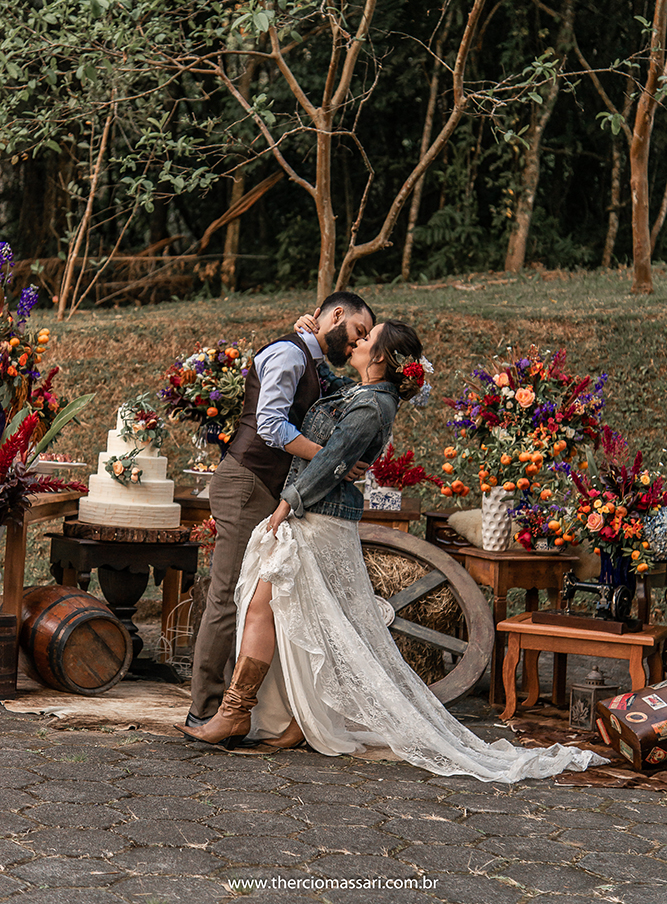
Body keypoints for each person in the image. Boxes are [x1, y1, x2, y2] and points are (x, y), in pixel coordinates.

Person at [177, 320, 606, 782]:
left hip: (315, 518)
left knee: (263, 606)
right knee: (282, 613)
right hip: (312, 515)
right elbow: (327, 387)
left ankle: (235, 713)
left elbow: (330, 462)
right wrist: (308, 334)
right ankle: (288, 722)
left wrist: (287, 505)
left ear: (380, 357)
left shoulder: (372, 405)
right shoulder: (360, 391)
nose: (356, 342)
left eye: (365, 338)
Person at [185, 291, 375, 731]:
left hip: (271, 491)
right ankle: (205, 709)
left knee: (257, 598)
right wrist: (331, 459)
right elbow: (270, 425)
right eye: (357, 333)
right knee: (228, 594)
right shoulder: (289, 355)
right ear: (337, 315)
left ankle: (246, 710)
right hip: (245, 483)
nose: (356, 345)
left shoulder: (314, 361)